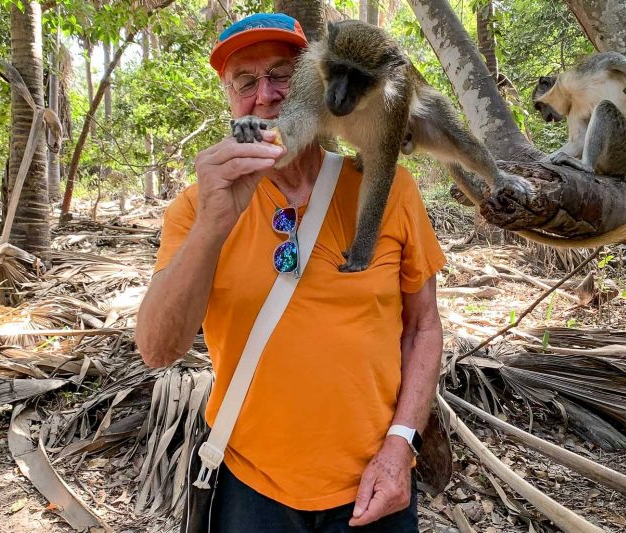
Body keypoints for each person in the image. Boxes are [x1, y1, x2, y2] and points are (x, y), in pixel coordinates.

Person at [135, 12, 445, 533]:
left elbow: (424, 327)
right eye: (246, 82)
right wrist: (216, 221)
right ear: (229, 96)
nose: (267, 95)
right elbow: (157, 350)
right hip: (251, 481)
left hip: (377, 478)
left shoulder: (388, 189)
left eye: (282, 74)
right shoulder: (196, 208)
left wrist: (401, 443)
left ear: (314, 81)